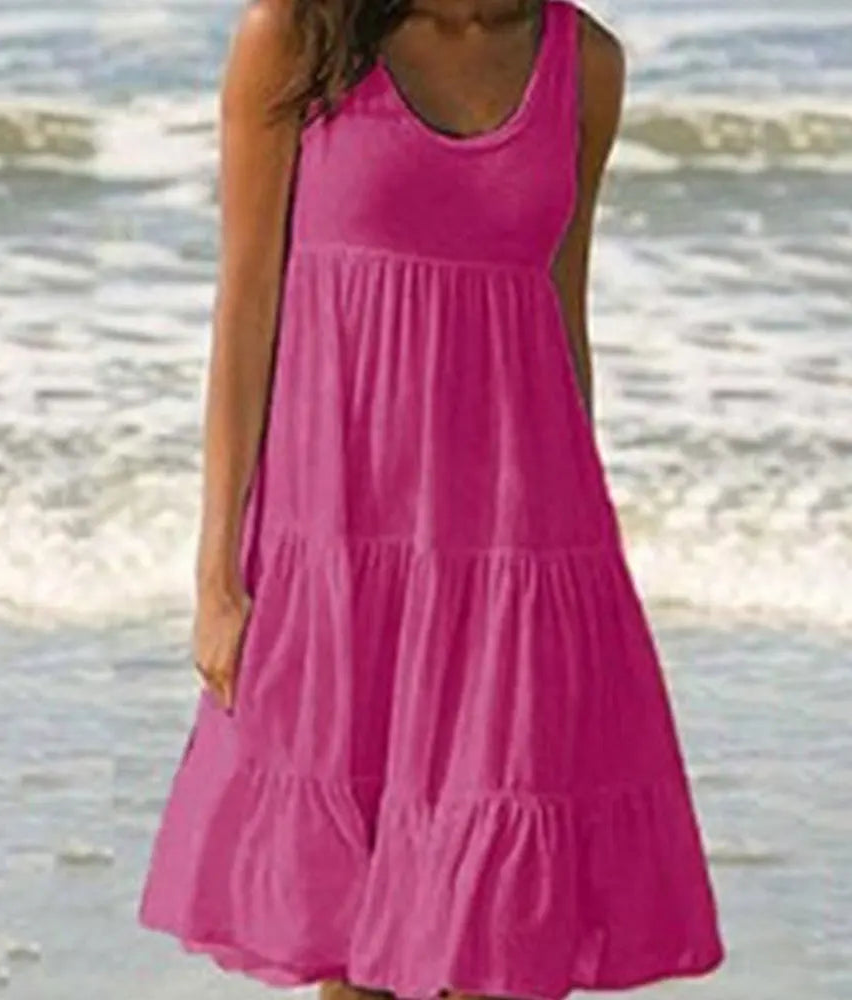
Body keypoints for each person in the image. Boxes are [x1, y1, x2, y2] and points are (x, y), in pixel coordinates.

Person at [138, 0, 728, 997]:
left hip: (515, 547)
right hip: (340, 532)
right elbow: (244, 310)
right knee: (351, 942)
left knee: (497, 938)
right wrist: (217, 580)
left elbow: (559, 311)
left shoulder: (582, 62)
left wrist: (577, 571)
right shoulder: (298, 36)